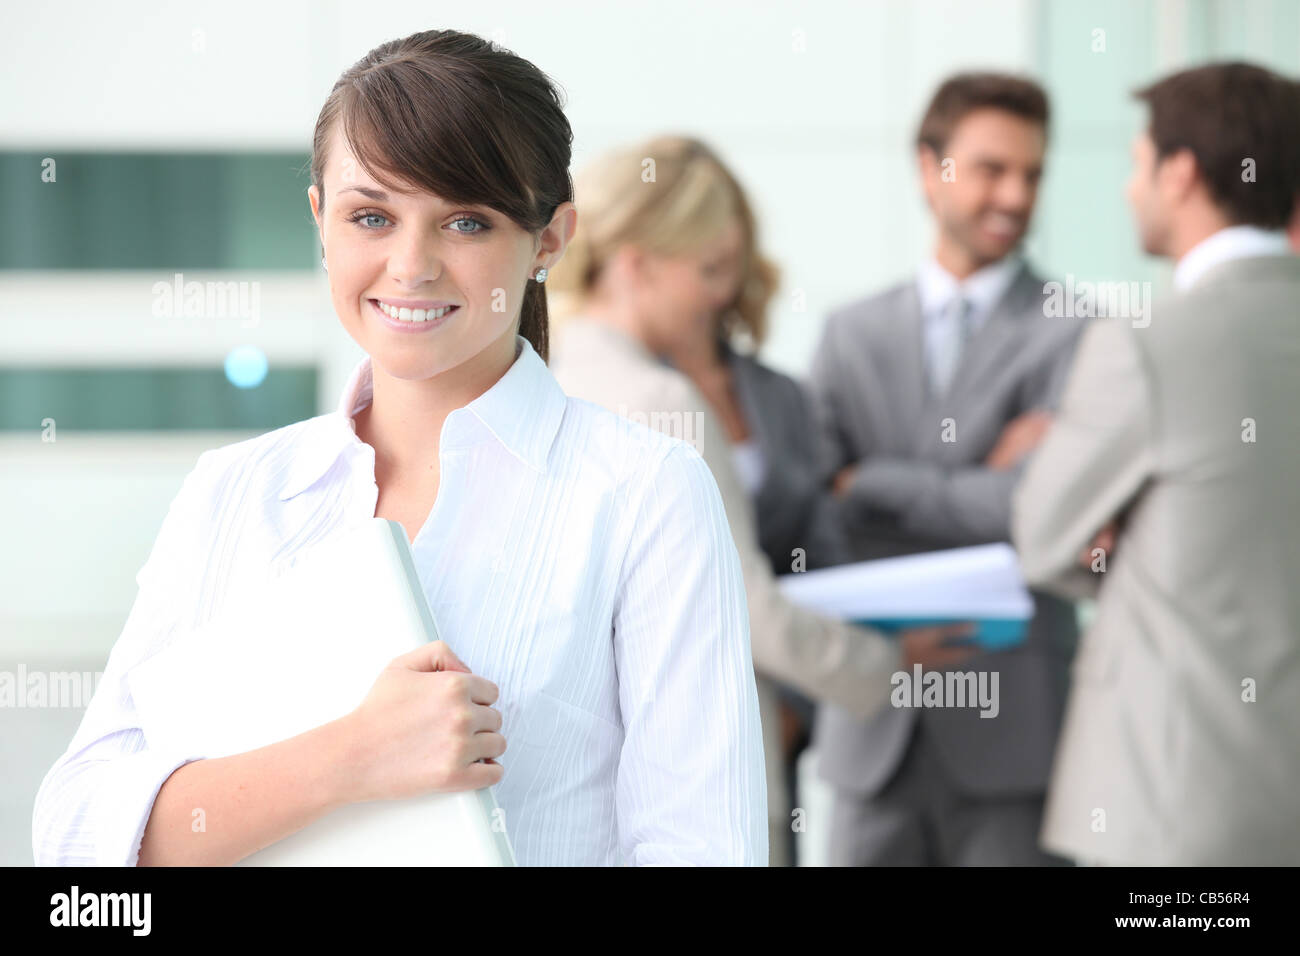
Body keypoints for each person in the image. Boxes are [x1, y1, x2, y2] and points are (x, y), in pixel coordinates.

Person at [32, 29, 767, 868]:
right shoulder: (233, 491)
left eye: (465, 220)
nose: (410, 266)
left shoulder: (647, 495)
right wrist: (352, 758)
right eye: (371, 216)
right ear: (320, 220)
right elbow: (75, 841)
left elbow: (703, 850)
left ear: (551, 239)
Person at [546, 134, 976, 866]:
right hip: (697, 786)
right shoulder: (657, 397)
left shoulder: (537, 373)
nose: (721, 293)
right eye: (706, 269)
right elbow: (739, 605)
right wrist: (887, 659)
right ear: (634, 262)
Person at [1012, 61, 1300, 866]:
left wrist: (1135, 543)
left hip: (1171, 806)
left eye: (1135, 165)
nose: (1128, 189)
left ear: (1181, 173)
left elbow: (1043, 541)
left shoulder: (1145, 343)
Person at [807, 73, 1086, 865]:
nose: (1016, 195)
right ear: (931, 168)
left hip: (1013, 733)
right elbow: (817, 519)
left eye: (1032, 174)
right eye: (993, 169)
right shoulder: (849, 334)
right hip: (872, 731)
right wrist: (981, 480)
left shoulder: (1078, 331)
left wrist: (873, 482)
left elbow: (1037, 510)